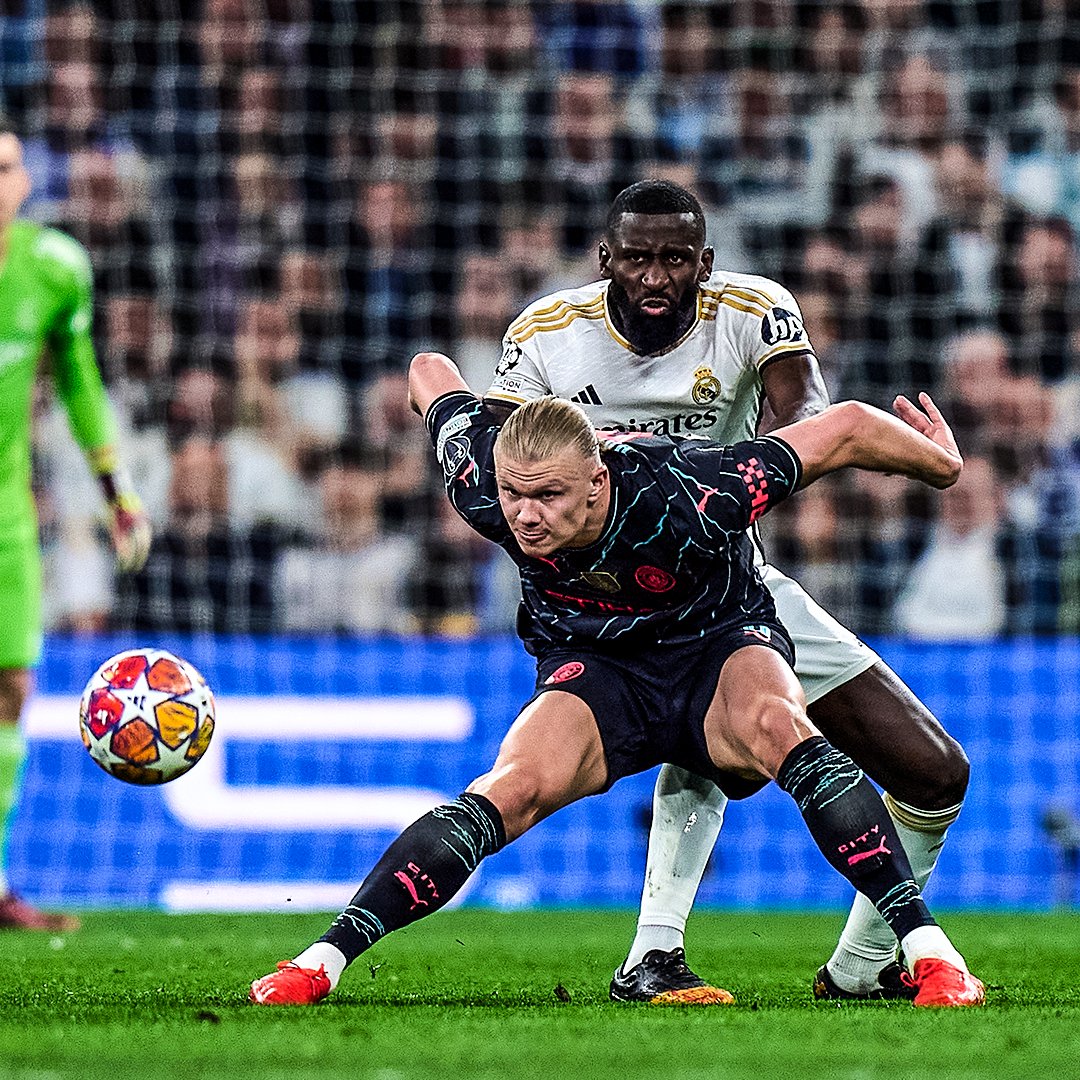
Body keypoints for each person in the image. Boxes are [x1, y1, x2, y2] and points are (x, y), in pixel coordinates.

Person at [248, 349, 984, 1009]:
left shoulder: (695, 490)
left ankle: (930, 953)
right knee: (511, 786)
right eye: (515, 495)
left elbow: (845, 427)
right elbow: (430, 371)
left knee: (779, 727)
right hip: (598, 662)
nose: (526, 518)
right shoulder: (482, 481)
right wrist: (454, 405)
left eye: (550, 498)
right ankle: (320, 962)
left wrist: (942, 467)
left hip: (716, 644)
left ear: (598, 481)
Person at [482, 179, 971, 1004]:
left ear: (704, 265)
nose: (655, 277)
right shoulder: (545, 335)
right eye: (636, 258)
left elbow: (808, 416)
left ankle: (857, 971)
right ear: (606, 261)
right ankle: (653, 953)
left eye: (676, 259)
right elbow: (506, 464)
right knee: (704, 725)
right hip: (607, 596)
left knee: (934, 772)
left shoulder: (753, 310)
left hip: (732, 582)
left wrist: (700, 484)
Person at [0, 118, 150, 929]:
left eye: (7, 168)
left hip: (7, 517)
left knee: (11, 689)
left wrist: (116, 490)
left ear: (25, 182)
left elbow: (81, 382)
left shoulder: (54, 269)